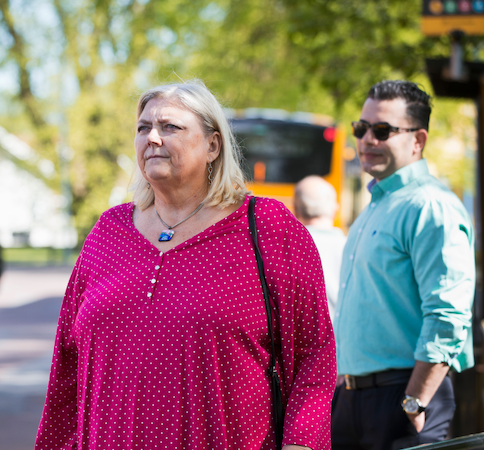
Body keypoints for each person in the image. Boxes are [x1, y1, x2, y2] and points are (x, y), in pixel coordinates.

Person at [35, 80, 336, 450]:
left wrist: (301, 444)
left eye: (170, 127)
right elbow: (67, 367)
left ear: (213, 145)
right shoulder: (108, 232)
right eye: (143, 128)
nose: (153, 138)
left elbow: (314, 353)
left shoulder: (269, 228)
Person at [331, 80, 475, 449]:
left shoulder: (431, 207)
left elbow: (448, 314)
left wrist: (415, 399)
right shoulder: (376, 205)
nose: (367, 139)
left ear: (418, 140)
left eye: (382, 130)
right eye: (361, 129)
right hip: (352, 397)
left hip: (403, 396)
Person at [292, 176, 347, 322]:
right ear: (335, 208)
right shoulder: (351, 247)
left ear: (295, 209)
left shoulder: (286, 249)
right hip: (341, 339)